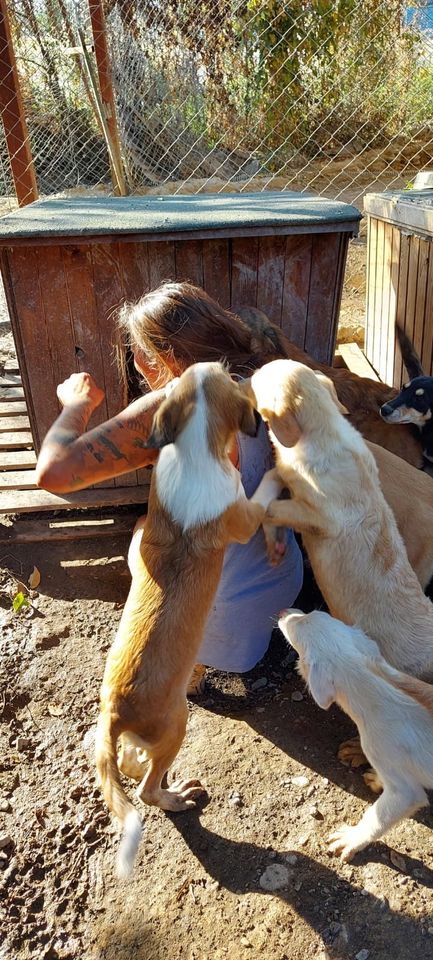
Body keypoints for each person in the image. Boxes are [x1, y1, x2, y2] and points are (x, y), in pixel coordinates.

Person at [36, 281, 303, 691]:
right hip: (280, 580)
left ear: (168, 356)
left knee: (143, 531)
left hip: (218, 612)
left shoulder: (169, 408)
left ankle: (194, 666)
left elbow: (52, 473)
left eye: (139, 351)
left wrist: (77, 403)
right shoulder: (269, 376)